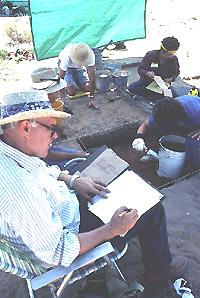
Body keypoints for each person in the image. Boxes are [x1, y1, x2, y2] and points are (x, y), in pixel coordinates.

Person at [0, 90, 187, 297]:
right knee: (152, 208)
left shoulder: (9, 148)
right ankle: (157, 272)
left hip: (63, 206)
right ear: (26, 127)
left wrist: (73, 180)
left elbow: (41, 169)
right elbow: (59, 251)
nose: (55, 136)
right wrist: (111, 229)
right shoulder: (20, 194)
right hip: (70, 231)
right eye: (51, 128)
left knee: (105, 173)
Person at [132, 95, 200, 173]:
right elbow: (145, 124)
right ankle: (156, 152)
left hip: (197, 125)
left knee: (193, 143)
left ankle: (192, 171)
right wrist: (138, 138)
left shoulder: (195, 111)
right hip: (183, 122)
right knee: (160, 128)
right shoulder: (162, 111)